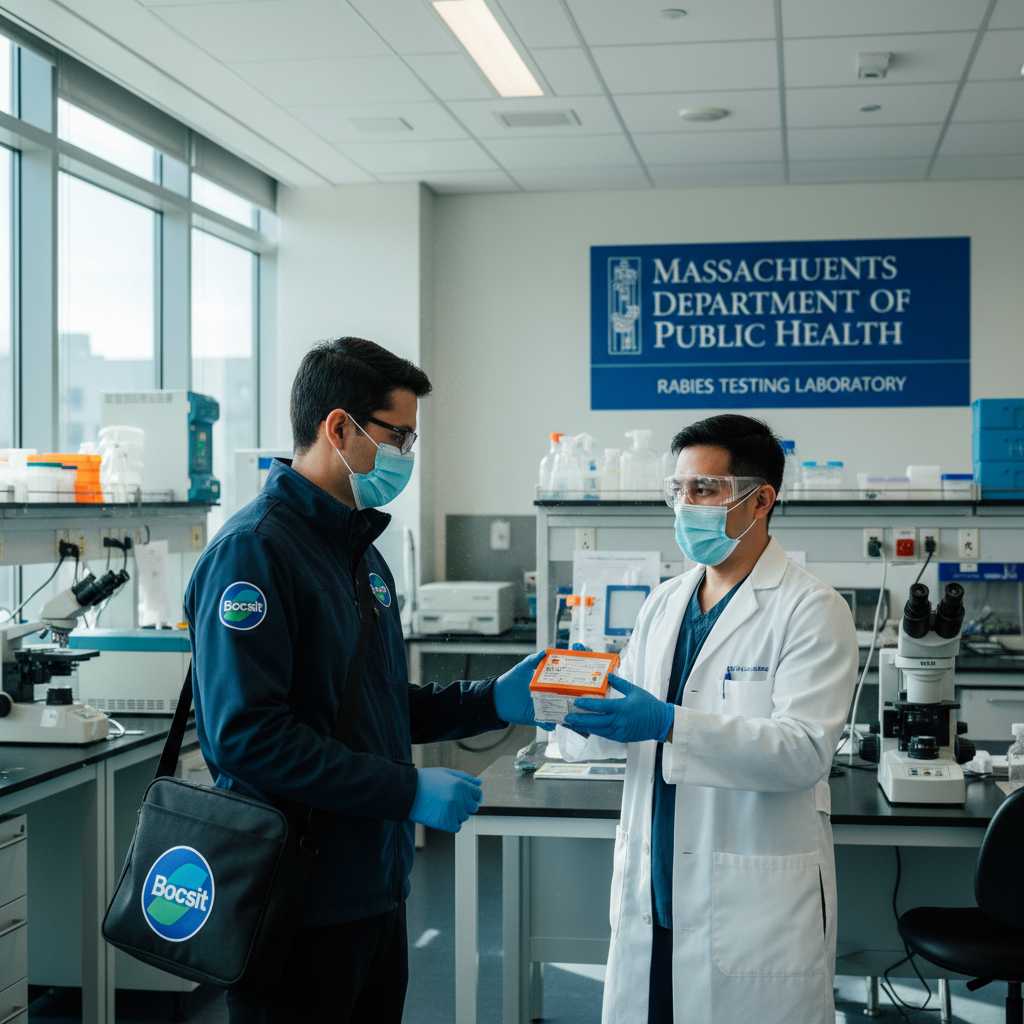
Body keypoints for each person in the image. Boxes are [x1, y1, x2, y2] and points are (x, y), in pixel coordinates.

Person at [184, 337, 545, 1024]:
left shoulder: (358, 552)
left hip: (374, 886)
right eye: (398, 436)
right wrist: (406, 789)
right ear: (339, 427)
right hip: (294, 900)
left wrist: (492, 700)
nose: (407, 454)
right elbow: (247, 737)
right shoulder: (255, 552)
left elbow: (374, 704)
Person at [560, 414, 857, 1024]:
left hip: (748, 901)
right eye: (678, 490)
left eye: (704, 489)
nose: (685, 506)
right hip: (656, 885)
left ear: (761, 500)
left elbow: (803, 752)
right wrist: (578, 713)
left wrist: (668, 722)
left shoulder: (811, 608)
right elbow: (633, 726)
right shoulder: (665, 601)